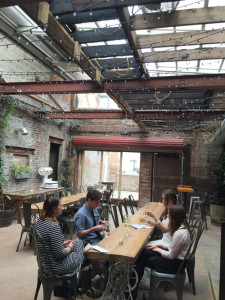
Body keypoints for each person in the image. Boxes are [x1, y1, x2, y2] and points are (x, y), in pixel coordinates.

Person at [131, 205, 191, 300]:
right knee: (143, 252)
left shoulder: (180, 233)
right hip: (174, 259)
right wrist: (158, 245)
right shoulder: (182, 228)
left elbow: (171, 255)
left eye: (169, 214)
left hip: (175, 265)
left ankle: (132, 290)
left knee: (143, 260)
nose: (167, 215)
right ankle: (133, 286)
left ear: (174, 217)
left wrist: (159, 250)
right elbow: (172, 246)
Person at [34, 197, 84, 276]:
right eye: (60, 206)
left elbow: (48, 243)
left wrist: (62, 244)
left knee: (76, 242)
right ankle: (78, 283)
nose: (62, 207)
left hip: (45, 263)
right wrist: (70, 247)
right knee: (80, 244)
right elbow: (60, 254)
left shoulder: (39, 222)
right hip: (56, 267)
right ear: (54, 209)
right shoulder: (53, 227)